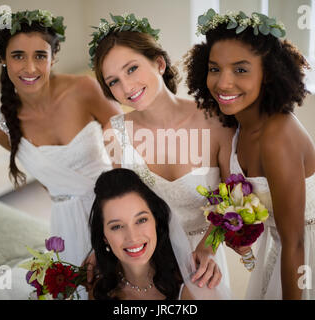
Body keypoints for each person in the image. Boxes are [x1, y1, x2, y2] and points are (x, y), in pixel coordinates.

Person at [184, 9, 315, 299]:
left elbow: (296, 243)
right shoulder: (236, 121)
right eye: (215, 68)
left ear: (267, 74)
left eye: (241, 70)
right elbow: (237, 193)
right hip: (281, 243)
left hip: (313, 251)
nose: (223, 83)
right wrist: (211, 241)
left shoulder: (277, 140)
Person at [90, 13, 235, 294]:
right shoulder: (116, 132)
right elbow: (119, 201)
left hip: (205, 257)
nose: (126, 87)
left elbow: (234, 200)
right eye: (113, 81)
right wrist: (103, 248)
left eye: (132, 69)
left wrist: (209, 246)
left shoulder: (215, 119)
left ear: (158, 62)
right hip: (149, 257)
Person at [0, 6, 122, 299]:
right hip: (66, 222)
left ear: (53, 57)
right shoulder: (0, 127)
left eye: (40, 56)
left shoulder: (83, 89)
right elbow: (50, 180)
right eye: (18, 56)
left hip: (115, 204)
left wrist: (114, 224)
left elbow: (125, 153)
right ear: (3, 59)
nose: (30, 68)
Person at [88, 168, 196, 300]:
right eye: (116, 227)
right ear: (104, 237)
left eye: (141, 220)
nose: (133, 237)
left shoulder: (191, 288)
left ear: (155, 220)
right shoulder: (100, 293)